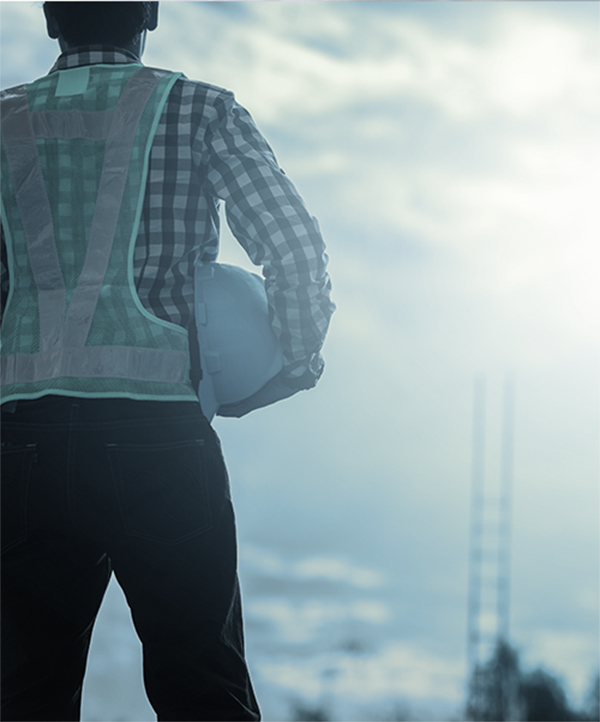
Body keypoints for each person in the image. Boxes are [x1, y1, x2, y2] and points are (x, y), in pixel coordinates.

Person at [0, 3, 335, 720]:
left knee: (24, 695)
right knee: (202, 689)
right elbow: (293, 245)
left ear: (51, 20)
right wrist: (295, 361)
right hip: (156, 437)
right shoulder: (200, 109)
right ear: (148, 13)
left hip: (18, 447)